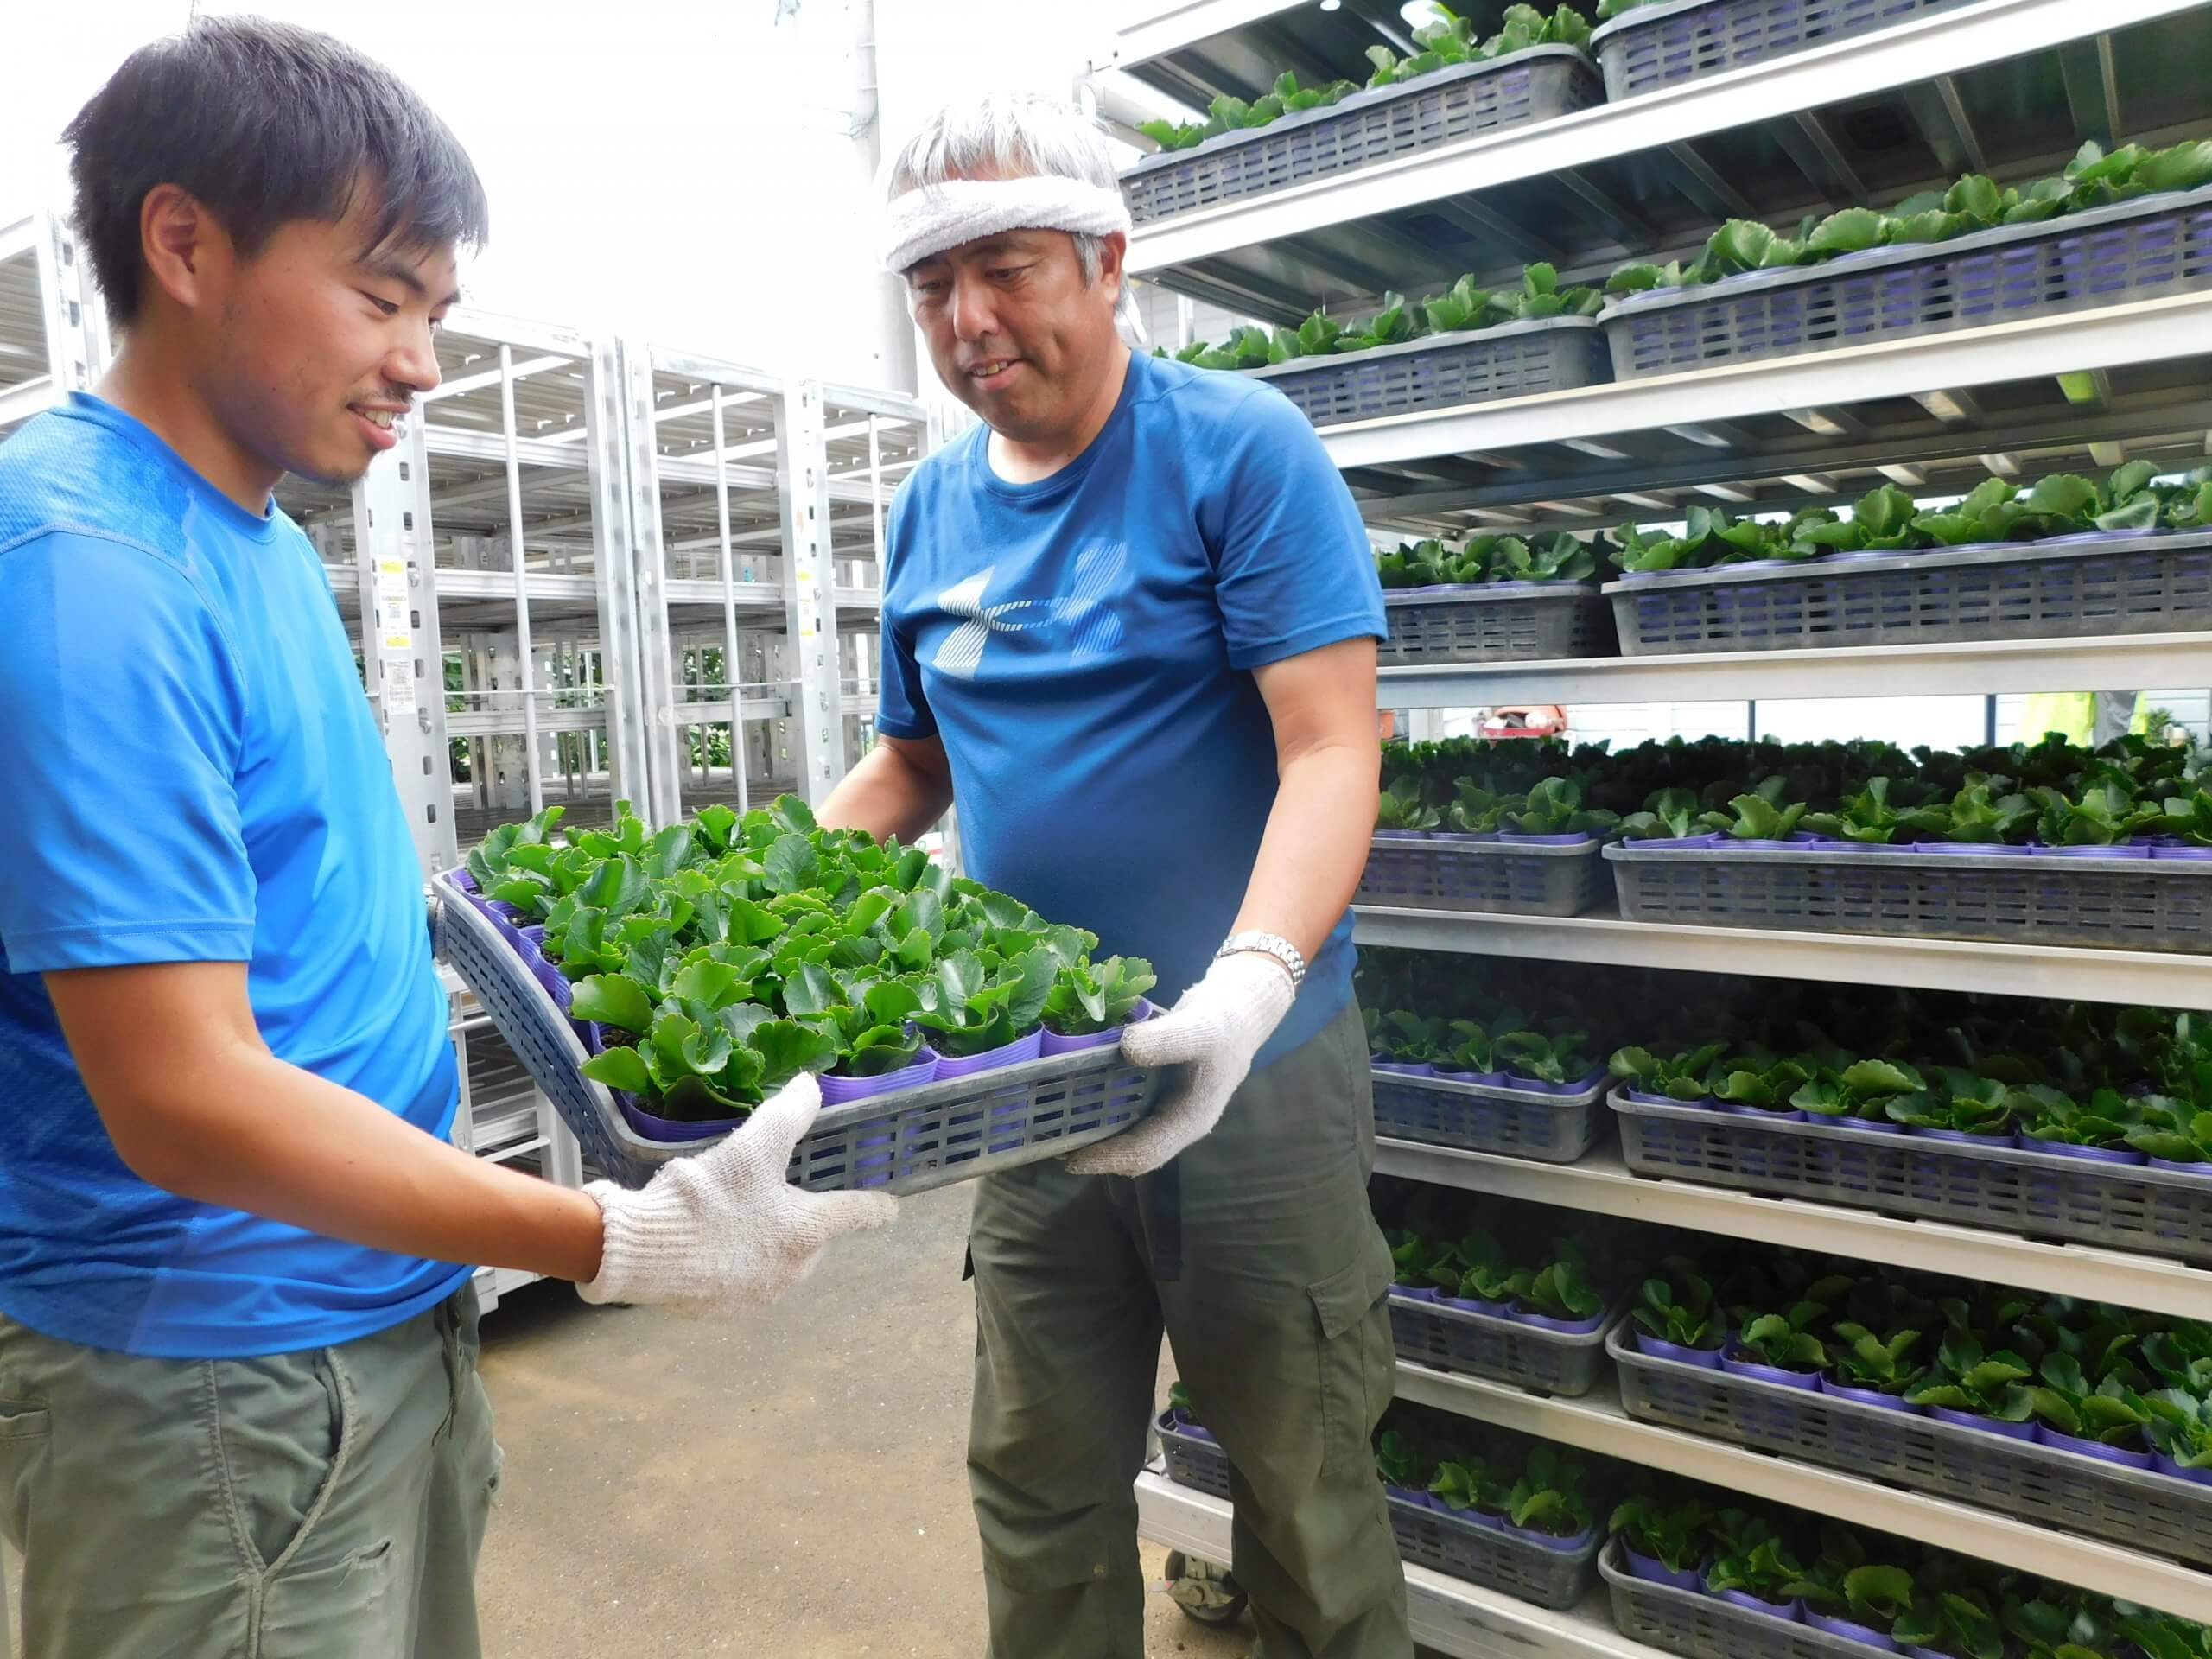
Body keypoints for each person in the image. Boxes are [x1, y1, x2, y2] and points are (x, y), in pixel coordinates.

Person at [0, 21, 891, 1657]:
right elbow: (181, 1098)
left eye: (437, 312)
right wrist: (608, 1238)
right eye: (380, 293)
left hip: (373, 1312)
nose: (421, 357)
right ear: (184, 243)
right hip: (218, 1374)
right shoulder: (82, 564)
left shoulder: (245, 528)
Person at [821, 95, 1413, 1658]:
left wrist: (1251, 983)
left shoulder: (1237, 453)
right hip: (1027, 1079)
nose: (968, 321)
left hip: (1256, 1072)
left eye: (1005, 268)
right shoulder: (930, 507)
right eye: (932, 287)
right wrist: (754, 897)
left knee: (1301, 1470)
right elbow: (912, 763)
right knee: (1036, 1469)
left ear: (1104, 261)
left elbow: (1331, 747)